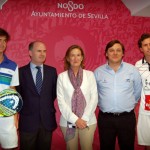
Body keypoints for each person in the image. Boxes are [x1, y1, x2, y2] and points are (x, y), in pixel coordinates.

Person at [94, 40, 142, 150]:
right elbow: (93, 93)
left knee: (127, 147)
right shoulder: (98, 72)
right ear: (106, 53)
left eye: (118, 50)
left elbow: (138, 91)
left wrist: (129, 104)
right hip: (106, 119)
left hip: (127, 118)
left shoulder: (132, 70)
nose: (115, 53)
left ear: (123, 53)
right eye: (111, 50)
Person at [16, 41, 57, 150]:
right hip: (27, 122)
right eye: (39, 51)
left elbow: (53, 94)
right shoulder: (20, 72)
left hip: (47, 122)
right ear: (30, 53)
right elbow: (18, 96)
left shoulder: (52, 72)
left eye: (44, 51)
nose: (42, 54)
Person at [57, 45, 98, 150]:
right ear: (67, 58)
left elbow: (94, 98)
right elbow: (61, 101)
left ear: (82, 57)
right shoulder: (62, 77)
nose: (75, 58)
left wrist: (83, 119)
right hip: (69, 121)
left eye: (78, 55)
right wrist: (75, 120)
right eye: (72, 55)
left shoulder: (90, 75)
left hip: (87, 121)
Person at [0, 28, 19, 150]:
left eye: (4, 41)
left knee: (10, 147)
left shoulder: (12, 66)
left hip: (6, 114)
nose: (2, 44)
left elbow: (13, 92)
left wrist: (15, 116)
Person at [135, 33, 150, 150]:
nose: (149, 47)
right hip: (146, 111)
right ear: (141, 49)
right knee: (147, 143)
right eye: (145, 45)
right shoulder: (137, 65)